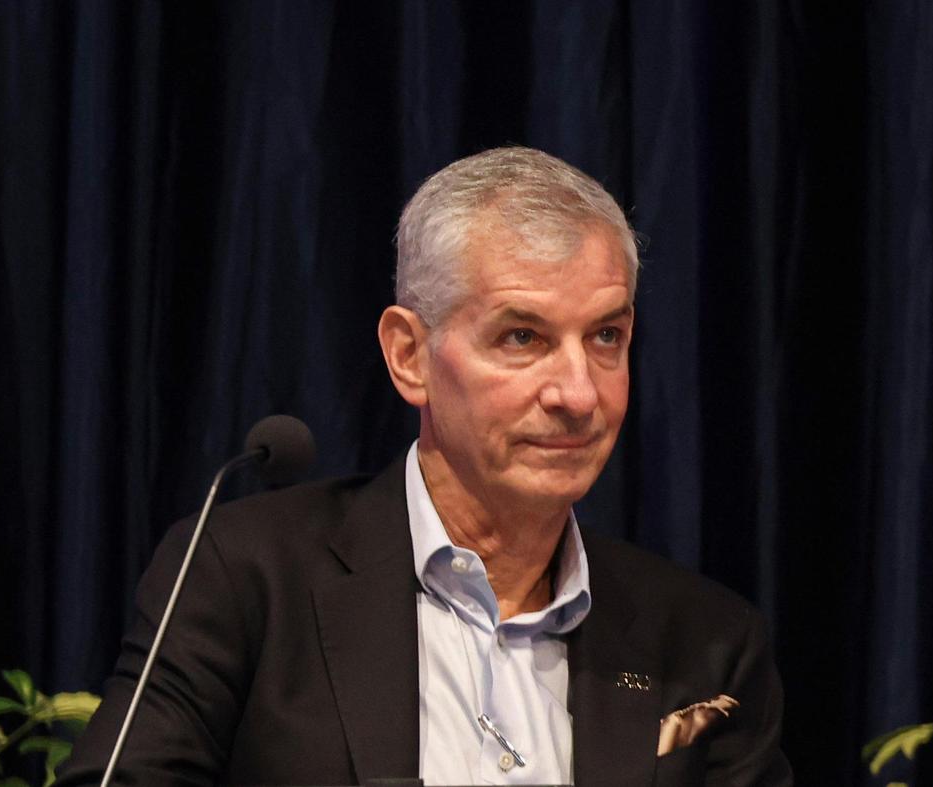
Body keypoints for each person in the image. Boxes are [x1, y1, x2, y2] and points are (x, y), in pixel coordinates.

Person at [57, 147, 792, 786]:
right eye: (522, 336)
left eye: (606, 335)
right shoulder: (246, 577)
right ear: (410, 355)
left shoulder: (707, 643)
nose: (579, 393)